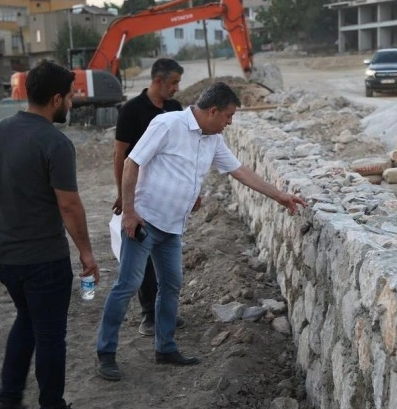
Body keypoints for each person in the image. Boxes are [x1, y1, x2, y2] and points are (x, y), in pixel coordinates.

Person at [96, 82, 307, 381]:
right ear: (212, 111)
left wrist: (281, 196)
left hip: (172, 227)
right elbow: (132, 163)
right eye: (228, 116)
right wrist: (129, 212)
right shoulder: (168, 124)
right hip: (145, 221)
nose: (230, 122)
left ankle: (165, 348)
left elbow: (240, 171)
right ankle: (105, 353)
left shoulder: (212, 139)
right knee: (127, 286)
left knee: (171, 285)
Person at [0, 60, 98, 409]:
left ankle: (9, 402)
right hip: (43, 258)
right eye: (72, 97)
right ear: (57, 98)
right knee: (49, 333)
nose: (74, 105)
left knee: (26, 318)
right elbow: (69, 206)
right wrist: (87, 254)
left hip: (1, 254)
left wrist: (12, 210)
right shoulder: (54, 142)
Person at [112, 58, 188, 337]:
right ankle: (148, 316)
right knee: (141, 258)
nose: (177, 89)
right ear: (158, 81)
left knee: (165, 260)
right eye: (174, 83)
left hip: (166, 197)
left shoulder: (174, 109)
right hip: (140, 194)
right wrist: (123, 195)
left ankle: (165, 313)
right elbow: (121, 155)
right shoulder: (131, 111)